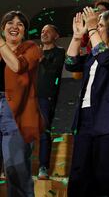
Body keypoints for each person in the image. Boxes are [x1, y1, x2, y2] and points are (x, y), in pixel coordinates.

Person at [65, 8, 109, 197]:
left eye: (100, 26)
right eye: (96, 25)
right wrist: (78, 36)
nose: (94, 29)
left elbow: (106, 60)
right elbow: (70, 63)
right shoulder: (94, 54)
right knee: (79, 175)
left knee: (105, 177)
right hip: (85, 119)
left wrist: (92, 29)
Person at [0, 11, 43, 197]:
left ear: (24, 31)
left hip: (16, 114)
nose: (14, 26)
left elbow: (17, 66)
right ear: (3, 29)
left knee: (16, 171)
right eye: (9, 23)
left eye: (20, 24)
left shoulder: (31, 48)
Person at [37, 24, 65, 180]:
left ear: (56, 35)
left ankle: (43, 167)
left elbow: (55, 70)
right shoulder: (34, 51)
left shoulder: (59, 52)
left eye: (48, 31)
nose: (44, 33)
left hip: (46, 97)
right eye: (42, 31)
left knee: (44, 132)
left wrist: (42, 59)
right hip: (29, 97)